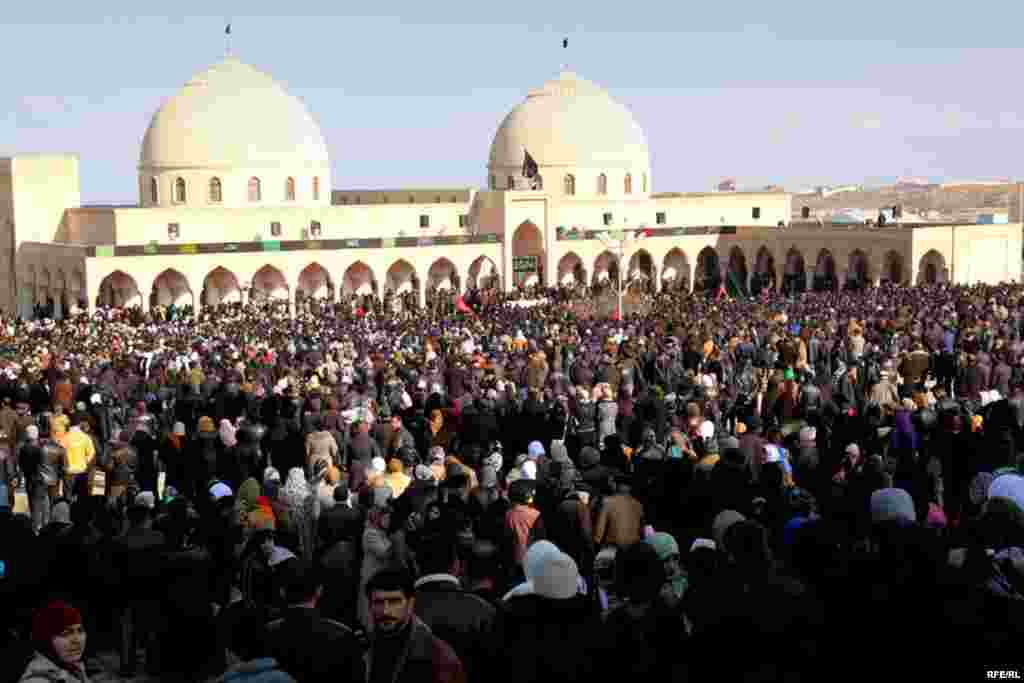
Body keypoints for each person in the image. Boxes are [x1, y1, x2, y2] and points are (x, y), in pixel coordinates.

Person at [364, 568, 465, 683]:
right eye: (378, 602)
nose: (386, 611)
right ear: (369, 605)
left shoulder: (437, 656)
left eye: (394, 601)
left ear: (410, 603)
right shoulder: (361, 648)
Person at [19, 600, 89, 683]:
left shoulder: (73, 669)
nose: (77, 640)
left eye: (80, 631)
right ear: (46, 641)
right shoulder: (37, 680)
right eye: (65, 634)